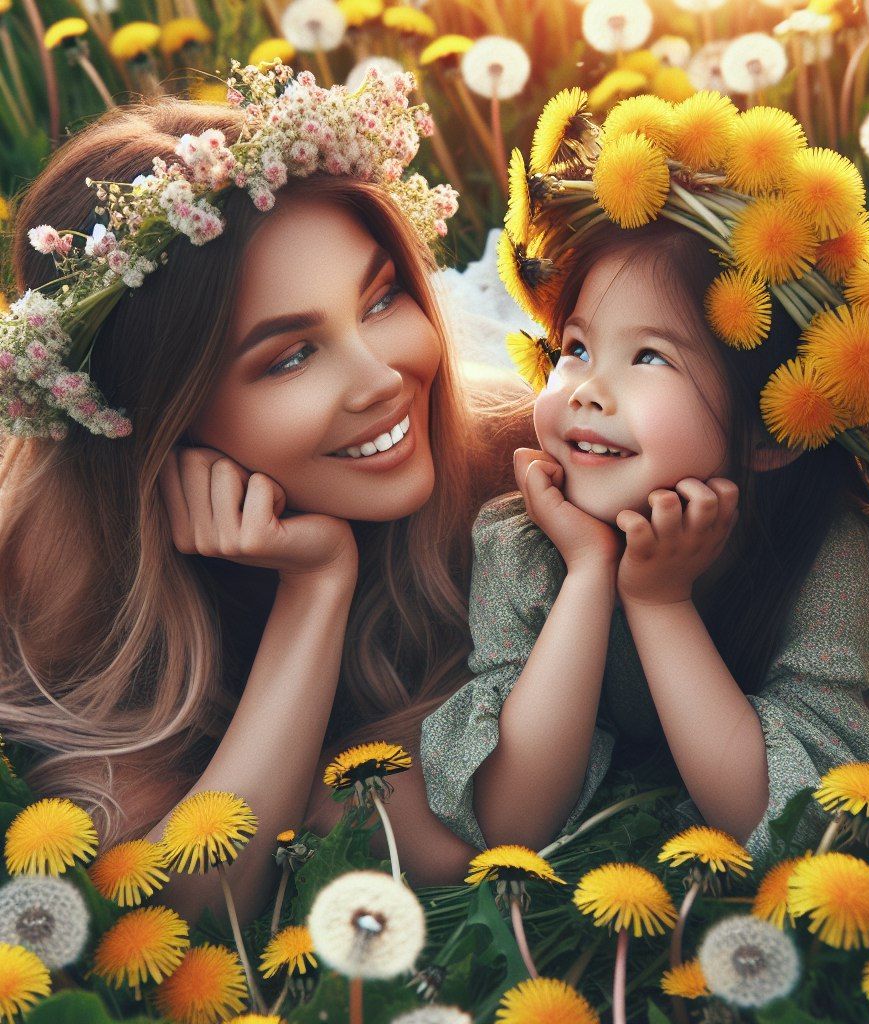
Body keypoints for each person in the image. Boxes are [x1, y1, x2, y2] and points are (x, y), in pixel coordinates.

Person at [0, 66, 535, 927]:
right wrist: (314, 590)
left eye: (382, 297)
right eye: (290, 357)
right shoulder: (64, 569)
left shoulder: (516, 458)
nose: (383, 379)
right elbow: (190, 911)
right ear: (159, 421)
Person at [419, 214, 869, 868]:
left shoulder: (824, 556)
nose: (588, 391)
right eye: (577, 348)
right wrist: (589, 572)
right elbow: (514, 817)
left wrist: (659, 602)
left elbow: (791, 820)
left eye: (649, 357)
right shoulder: (524, 540)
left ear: (771, 434)